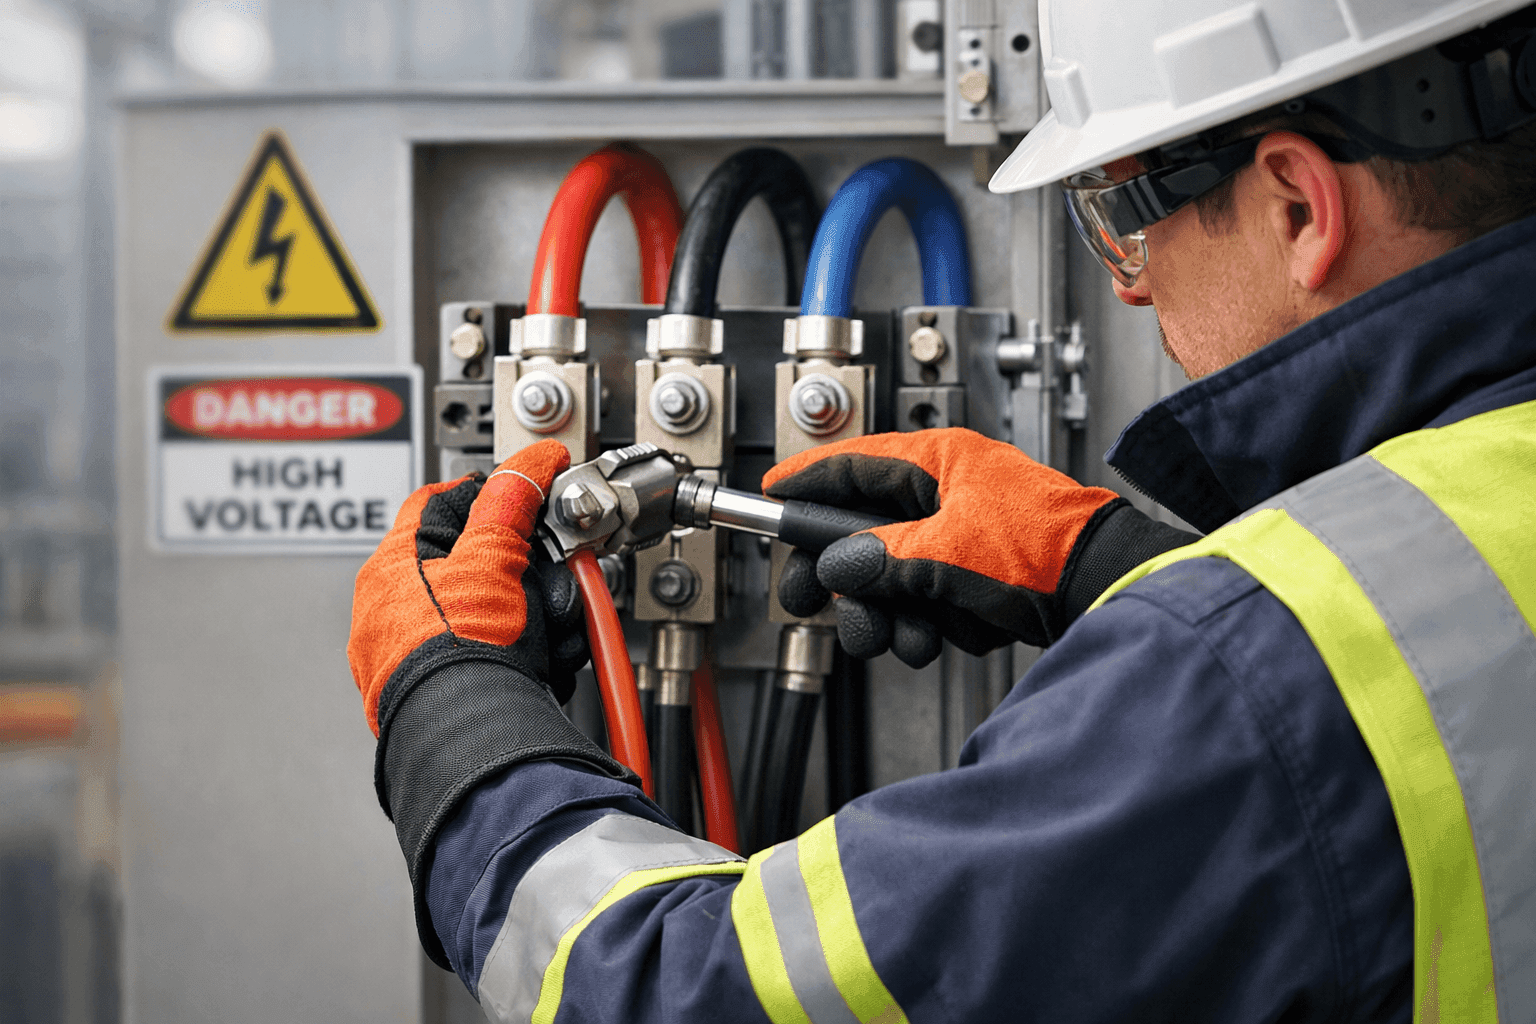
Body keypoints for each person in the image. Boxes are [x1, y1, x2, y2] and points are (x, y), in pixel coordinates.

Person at [347, 1, 1536, 1019]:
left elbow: (670, 993)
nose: (1129, 288)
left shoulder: (1245, 684)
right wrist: (1113, 567)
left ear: (1296, 206)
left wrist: (456, 726)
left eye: (1122, 216)